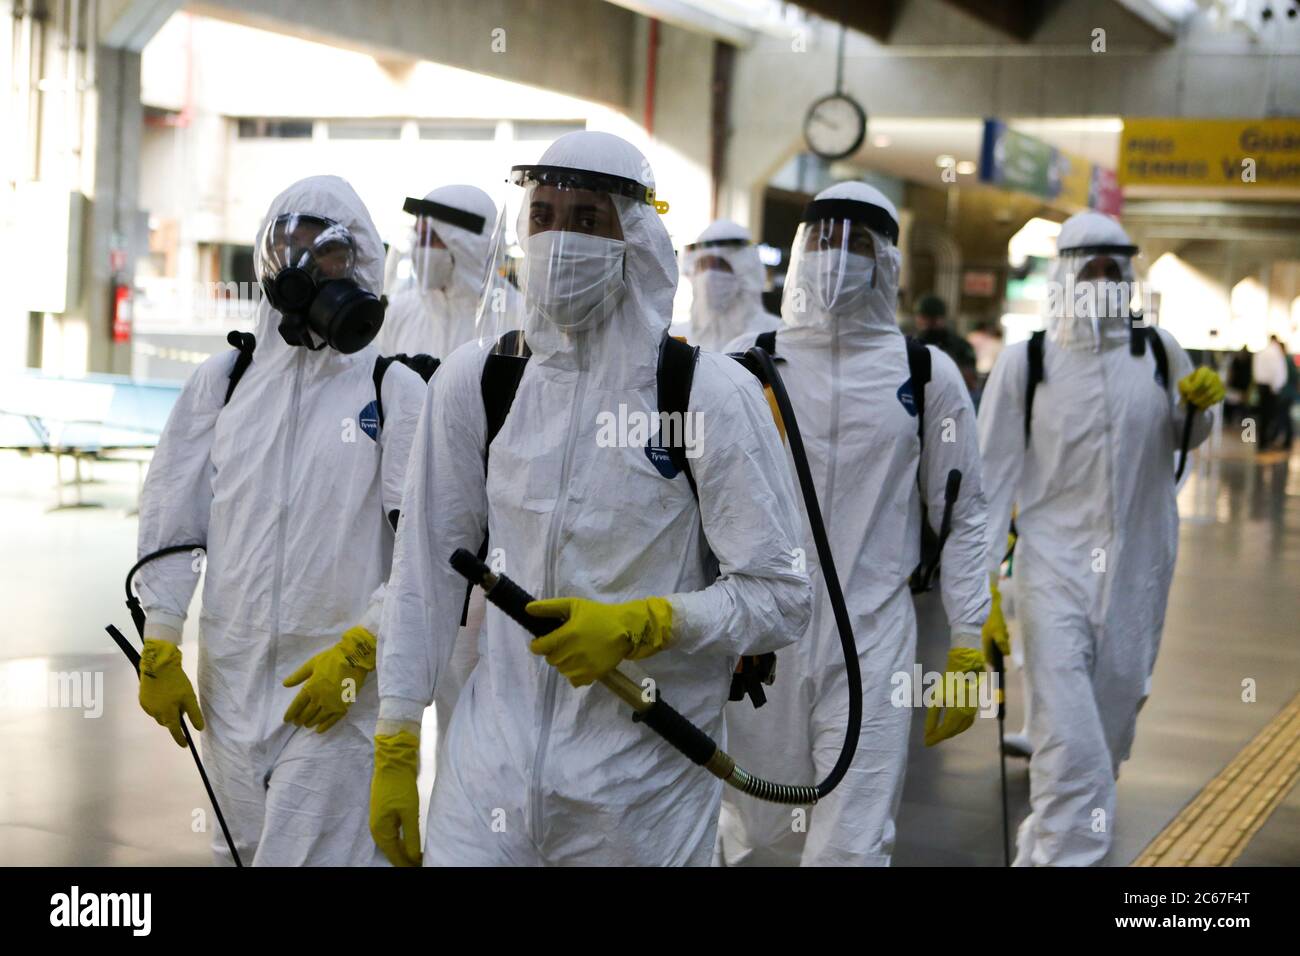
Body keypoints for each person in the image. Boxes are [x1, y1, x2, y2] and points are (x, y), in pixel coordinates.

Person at [368, 130, 812, 867]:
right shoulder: (481, 383)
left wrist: (649, 622)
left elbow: (781, 595)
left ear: (634, 237)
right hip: (487, 779)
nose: (559, 239)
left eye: (586, 219)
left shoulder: (705, 394)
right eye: (543, 215)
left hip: (641, 797)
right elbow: (424, 573)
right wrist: (396, 737)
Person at [134, 175, 427, 866]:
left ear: (358, 268)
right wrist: (161, 637)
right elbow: (172, 516)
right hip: (231, 682)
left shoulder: (393, 389)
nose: (301, 267)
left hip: (340, 686)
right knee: (239, 854)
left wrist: (365, 649)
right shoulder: (225, 380)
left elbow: (424, 547)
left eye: (323, 253)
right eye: (287, 247)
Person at [716, 182, 992, 867]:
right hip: (759, 638)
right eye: (825, 239)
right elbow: (702, 502)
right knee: (752, 826)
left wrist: (966, 639)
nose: (838, 257)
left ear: (889, 262)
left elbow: (963, 515)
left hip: (873, 637)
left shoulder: (926, 374)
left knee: (853, 838)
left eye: (859, 243)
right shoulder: (745, 359)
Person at [978, 210, 1224, 866]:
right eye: (1088, 266)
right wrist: (975, 604)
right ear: (1063, 272)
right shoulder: (1026, 363)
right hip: (1050, 573)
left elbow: (1187, 439)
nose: (1102, 278)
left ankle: (1041, 849)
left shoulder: (1159, 352)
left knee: (1107, 732)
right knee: (1070, 744)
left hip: (1140, 574)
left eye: (1114, 268)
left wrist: (1202, 408)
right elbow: (990, 482)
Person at [374, 185, 499, 359]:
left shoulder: (514, 318)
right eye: (419, 237)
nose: (420, 250)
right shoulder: (400, 311)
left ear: (470, 247)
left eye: (432, 238)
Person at [679, 218, 779, 351]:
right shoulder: (678, 337)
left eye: (720, 266)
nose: (709, 276)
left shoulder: (775, 336)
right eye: (703, 265)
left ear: (746, 271)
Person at [914, 293, 977, 393]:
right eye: (924, 318)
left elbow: (969, 380)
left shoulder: (960, 346)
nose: (928, 324)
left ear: (941, 319)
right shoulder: (913, 345)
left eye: (932, 319)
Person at [1252, 335, 1287, 449]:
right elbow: (1277, 372)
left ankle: (1262, 442)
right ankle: (1267, 441)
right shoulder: (1275, 353)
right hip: (1271, 388)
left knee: (1263, 416)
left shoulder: (1261, 352)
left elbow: (1256, 371)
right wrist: (1276, 388)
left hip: (1262, 386)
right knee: (1270, 416)